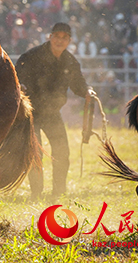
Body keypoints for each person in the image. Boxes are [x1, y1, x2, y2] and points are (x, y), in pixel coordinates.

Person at [15, 22, 95, 200]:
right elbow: (17, 77)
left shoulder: (70, 61)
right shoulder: (31, 56)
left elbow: (78, 84)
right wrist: (20, 85)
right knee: (35, 153)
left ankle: (59, 192)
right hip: (31, 112)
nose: (60, 40)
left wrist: (87, 91)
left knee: (62, 151)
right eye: (57, 36)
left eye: (64, 38)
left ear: (69, 41)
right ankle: (36, 193)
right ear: (50, 37)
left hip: (52, 113)